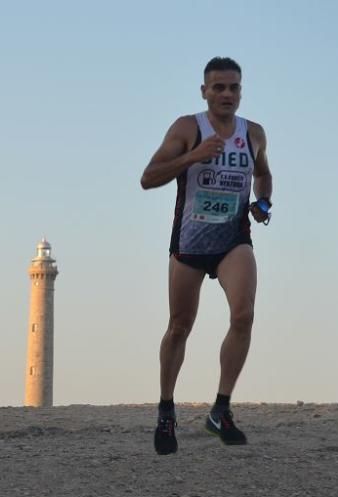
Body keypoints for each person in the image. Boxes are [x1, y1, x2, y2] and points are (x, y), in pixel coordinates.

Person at [140, 57, 272, 454]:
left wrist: (264, 202)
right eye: (218, 88)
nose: (227, 94)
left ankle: (221, 408)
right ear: (204, 91)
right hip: (190, 242)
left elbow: (263, 173)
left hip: (233, 239)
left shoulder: (254, 134)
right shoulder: (187, 128)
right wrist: (190, 158)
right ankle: (166, 409)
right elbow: (148, 178)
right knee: (180, 325)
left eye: (233, 87)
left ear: (241, 91)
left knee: (243, 316)